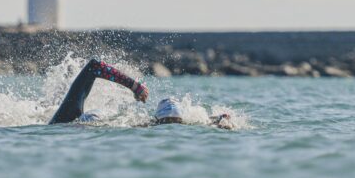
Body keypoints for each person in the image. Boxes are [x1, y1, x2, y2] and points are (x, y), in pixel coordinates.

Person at [49, 59, 230, 127]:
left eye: (174, 123)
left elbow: (194, 123)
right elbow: (93, 67)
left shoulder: (149, 125)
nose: (170, 125)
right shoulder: (66, 119)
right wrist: (134, 86)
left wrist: (218, 121)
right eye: (168, 122)